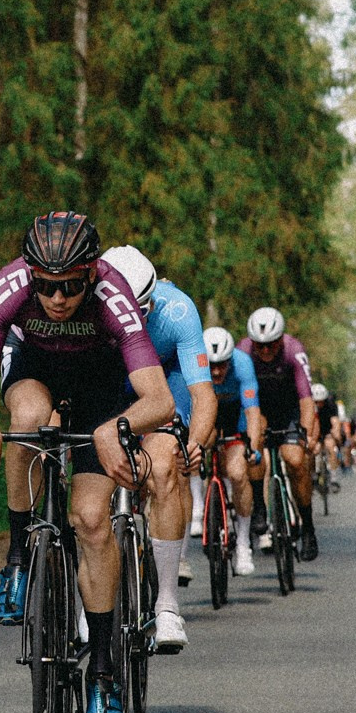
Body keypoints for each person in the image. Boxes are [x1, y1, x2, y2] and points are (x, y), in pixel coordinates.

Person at [0, 212, 175, 713]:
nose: (56, 298)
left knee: (93, 520)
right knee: (26, 420)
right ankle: (16, 560)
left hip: (100, 383)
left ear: (92, 274)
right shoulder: (10, 286)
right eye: (46, 286)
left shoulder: (113, 297)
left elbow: (160, 400)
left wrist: (115, 427)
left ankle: (102, 672)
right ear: (30, 274)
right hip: (35, 369)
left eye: (70, 286)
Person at [99, 245, 213, 655]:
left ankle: (166, 603)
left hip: (167, 386)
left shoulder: (178, 310)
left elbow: (203, 394)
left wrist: (194, 443)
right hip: (113, 385)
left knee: (164, 466)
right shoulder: (90, 302)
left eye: (143, 310)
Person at [240, 307, 320, 562]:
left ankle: (307, 527)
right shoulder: (242, 352)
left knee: (295, 460)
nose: (265, 351)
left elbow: (307, 400)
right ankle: (260, 508)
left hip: (289, 409)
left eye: (271, 345)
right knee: (253, 449)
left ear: (281, 339)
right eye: (259, 346)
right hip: (257, 408)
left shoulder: (293, 350)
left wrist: (305, 436)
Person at [197, 325, 263, 575]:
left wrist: (253, 447)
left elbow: (252, 410)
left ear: (230, 359)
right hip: (208, 413)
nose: (216, 371)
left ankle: (244, 543)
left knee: (237, 472)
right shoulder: (195, 363)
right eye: (211, 365)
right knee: (198, 446)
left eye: (222, 364)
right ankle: (198, 509)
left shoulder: (243, 363)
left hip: (236, 416)